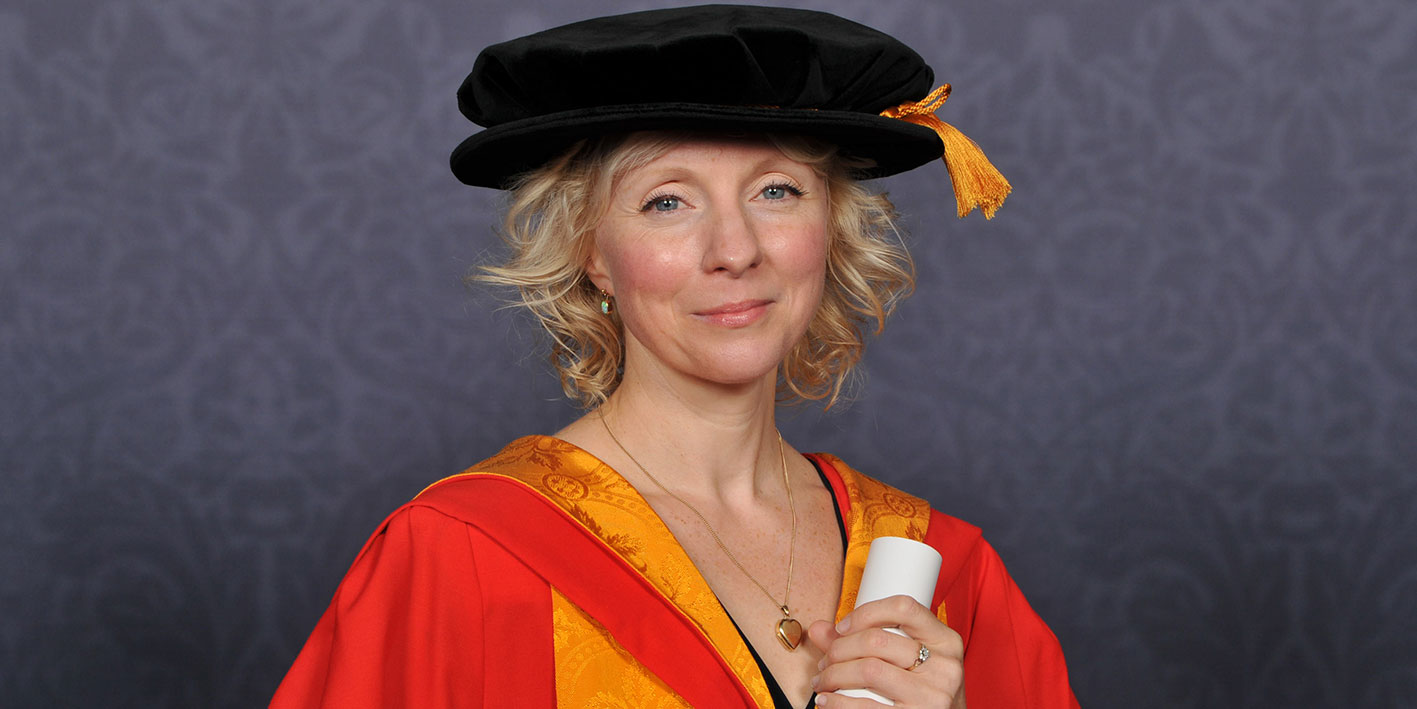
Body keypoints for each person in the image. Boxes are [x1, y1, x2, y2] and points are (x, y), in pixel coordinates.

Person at [272, 5, 1077, 708]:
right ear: (591, 253)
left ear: (828, 229)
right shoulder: (461, 554)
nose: (735, 249)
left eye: (776, 190)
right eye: (667, 201)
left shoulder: (947, 572)